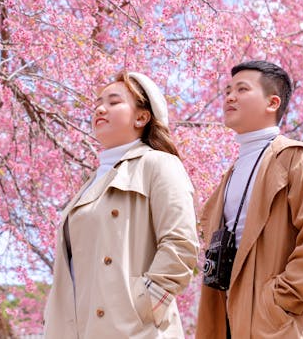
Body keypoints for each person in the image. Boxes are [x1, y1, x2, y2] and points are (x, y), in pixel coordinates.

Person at [196, 60, 303, 338]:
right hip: (227, 317)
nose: (230, 96)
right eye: (228, 90)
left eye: (242, 89)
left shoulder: (296, 159)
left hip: (276, 323)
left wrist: (280, 298)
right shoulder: (230, 174)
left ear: (272, 102)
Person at [44, 71, 199, 338]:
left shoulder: (159, 164)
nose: (100, 109)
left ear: (142, 117)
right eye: (98, 103)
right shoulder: (92, 184)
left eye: (114, 102)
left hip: (135, 330)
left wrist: (144, 306)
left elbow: (180, 244)